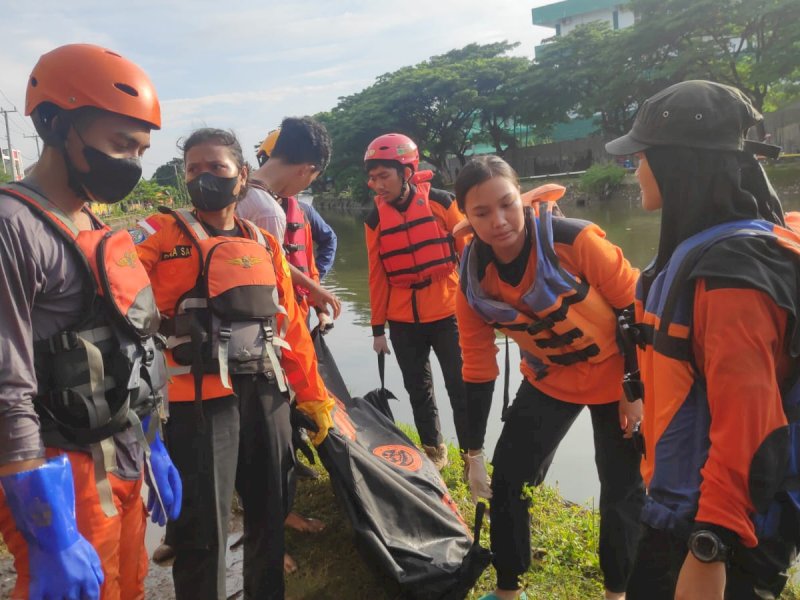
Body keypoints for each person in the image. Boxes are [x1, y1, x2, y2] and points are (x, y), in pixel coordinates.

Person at [0, 43, 181, 600]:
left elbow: (127, 344)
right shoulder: (13, 226)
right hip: (58, 471)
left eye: (140, 150)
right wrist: (45, 525)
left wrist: (152, 441)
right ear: (56, 124)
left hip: (123, 455)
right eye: (119, 144)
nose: (130, 162)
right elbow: (7, 385)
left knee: (129, 588)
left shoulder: (91, 221)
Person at [606, 80, 800, 599]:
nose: (637, 169)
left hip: (724, 528)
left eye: (642, 157)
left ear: (679, 164)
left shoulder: (732, 276)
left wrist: (710, 546)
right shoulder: (707, 251)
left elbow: (747, 425)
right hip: (682, 510)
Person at [132, 127, 334, 600]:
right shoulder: (160, 234)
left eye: (216, 168)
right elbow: (115, 283)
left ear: (241, 176)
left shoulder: (264, 243)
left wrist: (315, 398)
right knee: (202, 531)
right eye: (193, 170)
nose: (204, 177)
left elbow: (293, 331)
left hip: (266, 394)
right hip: (196, 402)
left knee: (270, 513)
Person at [453, 155, 645, 600]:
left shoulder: (574, 241)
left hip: (619, 377)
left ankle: (617, 593)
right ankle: (508, 590)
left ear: (521, 198)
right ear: (466, 218)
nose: (499, 221)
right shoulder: (473, 281)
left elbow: (639, 310)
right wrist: (473, 451)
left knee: (622, 489)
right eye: (481, 213)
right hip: (549, 380)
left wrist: (636, 389)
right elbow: (478, 366)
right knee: (509, 478)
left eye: (506, 204)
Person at [363, 133, 468, 470]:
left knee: (460, 385)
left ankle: (471, 453)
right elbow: (377, 276)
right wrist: (378, 328)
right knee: (418, 389)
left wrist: (480, 306)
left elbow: (469, 256)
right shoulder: (374, 220)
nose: (378, 185)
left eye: (385, 176)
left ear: (406, 172)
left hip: (448, 310)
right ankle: (435, 452)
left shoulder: (441, 202)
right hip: (403, 320)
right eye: (373, 177)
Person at [242, 123, 338, 328]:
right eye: (312, 179)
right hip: (264, 318)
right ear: (306, 170)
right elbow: (277, 269)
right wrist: (315, 288)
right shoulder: (268, 210)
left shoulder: (234, 190)